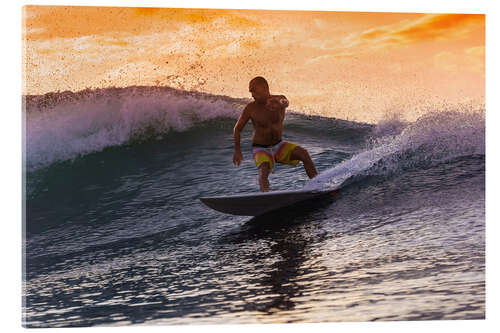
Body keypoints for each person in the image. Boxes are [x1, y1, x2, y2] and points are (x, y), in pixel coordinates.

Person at [232, 76, 318, 192]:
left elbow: (285, 102)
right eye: (250, 91)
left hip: (279, 145)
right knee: (264, 170)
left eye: (254, 90)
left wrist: (280, 104)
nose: (252, 94)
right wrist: (237, 150)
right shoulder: (250, 108)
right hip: (260, 148)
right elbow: (237, 129)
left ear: (264, 88)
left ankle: (318, 185)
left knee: (303, 154)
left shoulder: (279, 99)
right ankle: (266, 197)